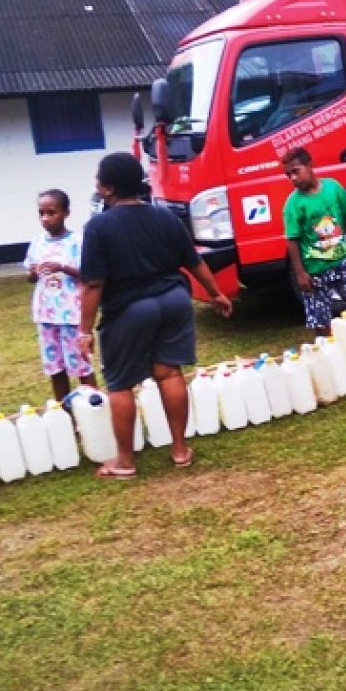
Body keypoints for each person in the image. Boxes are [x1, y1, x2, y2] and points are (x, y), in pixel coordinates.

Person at [78, 153, 233, 480]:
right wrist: (217, 293)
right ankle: (180, 450)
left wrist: (84, 330)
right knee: (169, 372)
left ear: (107, 188)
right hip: (175, 300)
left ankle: (125, 461)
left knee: (119, 384)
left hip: (131, 308)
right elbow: (194, 262)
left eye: (98, 180)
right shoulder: (165, 217)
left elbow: (93, 284)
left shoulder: (98, 227)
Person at [282, 147, 346, 335]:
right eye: (288, 175)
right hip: (315, 272)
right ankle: (328, 352)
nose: (293, 178)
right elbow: (292, 240)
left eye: (296, 171)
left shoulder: (333, 187)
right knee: (320, 321)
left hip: (343, 261)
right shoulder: (293, 204)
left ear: (309, 165)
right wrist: (300, 273)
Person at [23, 189, 97, 402]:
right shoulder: (37, 242)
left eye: (51, 212)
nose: (45, 218)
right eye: (41, 213)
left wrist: (63, 267)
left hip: (71, 315)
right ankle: (67, 415)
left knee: (82, 367)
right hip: (46, 316)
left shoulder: (78, 241)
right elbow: (30, 277)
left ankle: (95, 409)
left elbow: (89, 276)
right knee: (55, 369)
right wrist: (33, 273)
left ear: (66, 213)